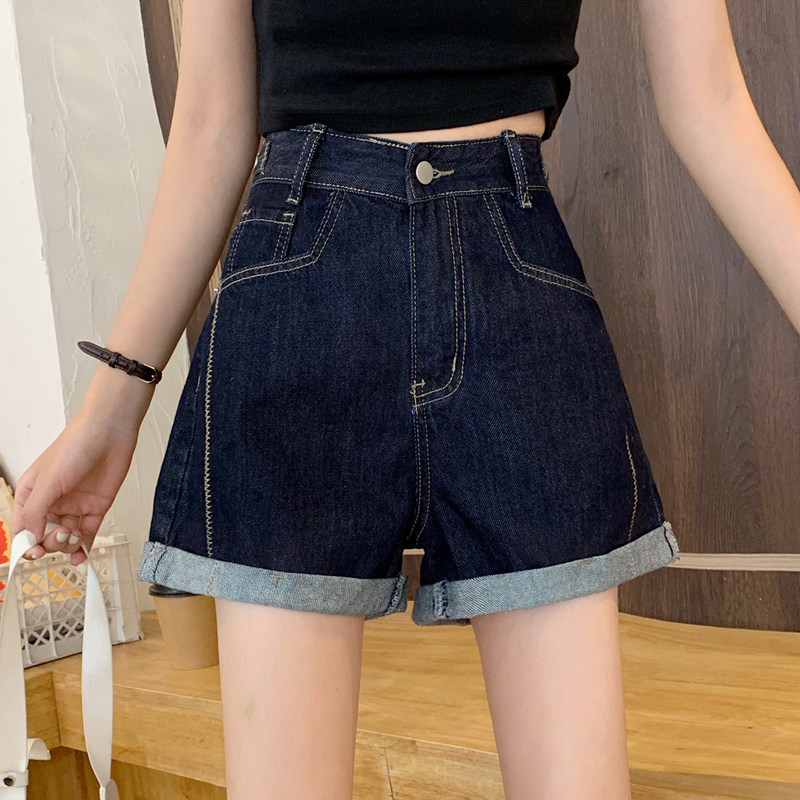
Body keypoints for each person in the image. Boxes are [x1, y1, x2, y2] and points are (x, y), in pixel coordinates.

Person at [11, 0, 800, 798]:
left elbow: (712, 101)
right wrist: (110, 412)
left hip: (513, 291)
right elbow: (213, 122)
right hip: (301, 300)